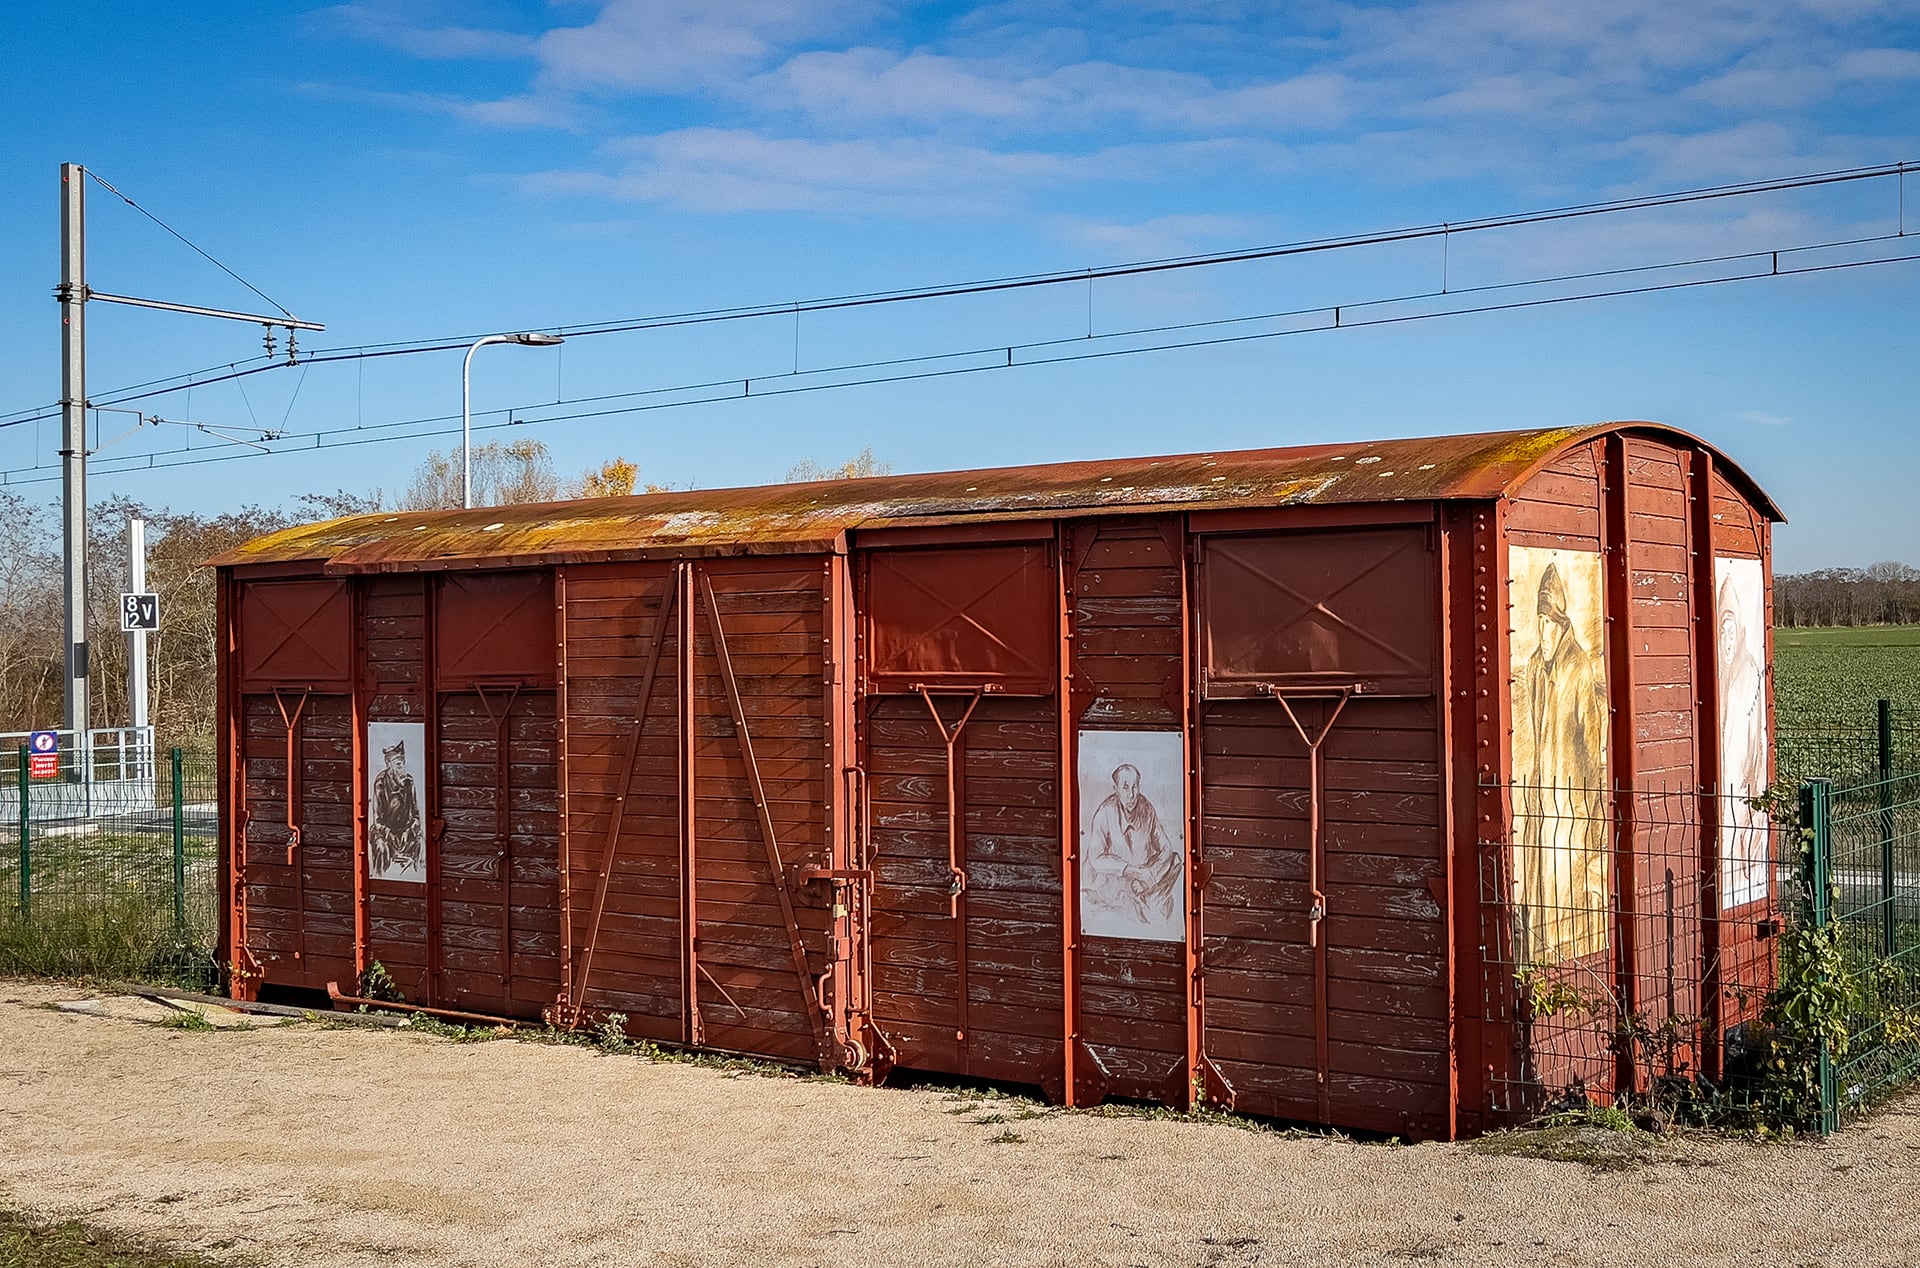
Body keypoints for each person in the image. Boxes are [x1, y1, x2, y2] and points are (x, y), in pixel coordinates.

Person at [1516, 561, 1610, 964]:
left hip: (1570, 799)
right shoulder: (1537, 665)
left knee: (1567, 885)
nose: (1542, 631)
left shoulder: (1579, 668)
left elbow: (1591, 740)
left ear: (1561, 621)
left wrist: (1588, 803)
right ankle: (1539, 954)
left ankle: (1568, 959)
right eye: (1537, 622)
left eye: (1548, 623)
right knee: (1538, 886)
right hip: (1541, 799)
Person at [1083, 762, 1183, 938]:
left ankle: (1148, 897)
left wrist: (1150, 875)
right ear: (1116, 789)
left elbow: (1165, 848)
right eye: (1126, 787)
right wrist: (1133, 872)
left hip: (1143, 880)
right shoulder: (1104, 813)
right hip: (1116, 879)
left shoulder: (1146, 808)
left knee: (1176, 860)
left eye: (1135, 786)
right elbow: (1096, 859)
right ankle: (1145, 902)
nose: (1132, 794)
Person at [370, 739, 424, 881]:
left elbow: (416, 816)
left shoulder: (409, 782)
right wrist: (389, 834)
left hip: (405, 831)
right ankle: (379, 881)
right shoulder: (380, 783)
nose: (403, 769)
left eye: (403, 764)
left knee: (420, 842)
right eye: (399, 765)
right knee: (381, 848)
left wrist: (410, 830)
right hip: (385, 832)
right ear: (389, 766)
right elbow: (377, 821)